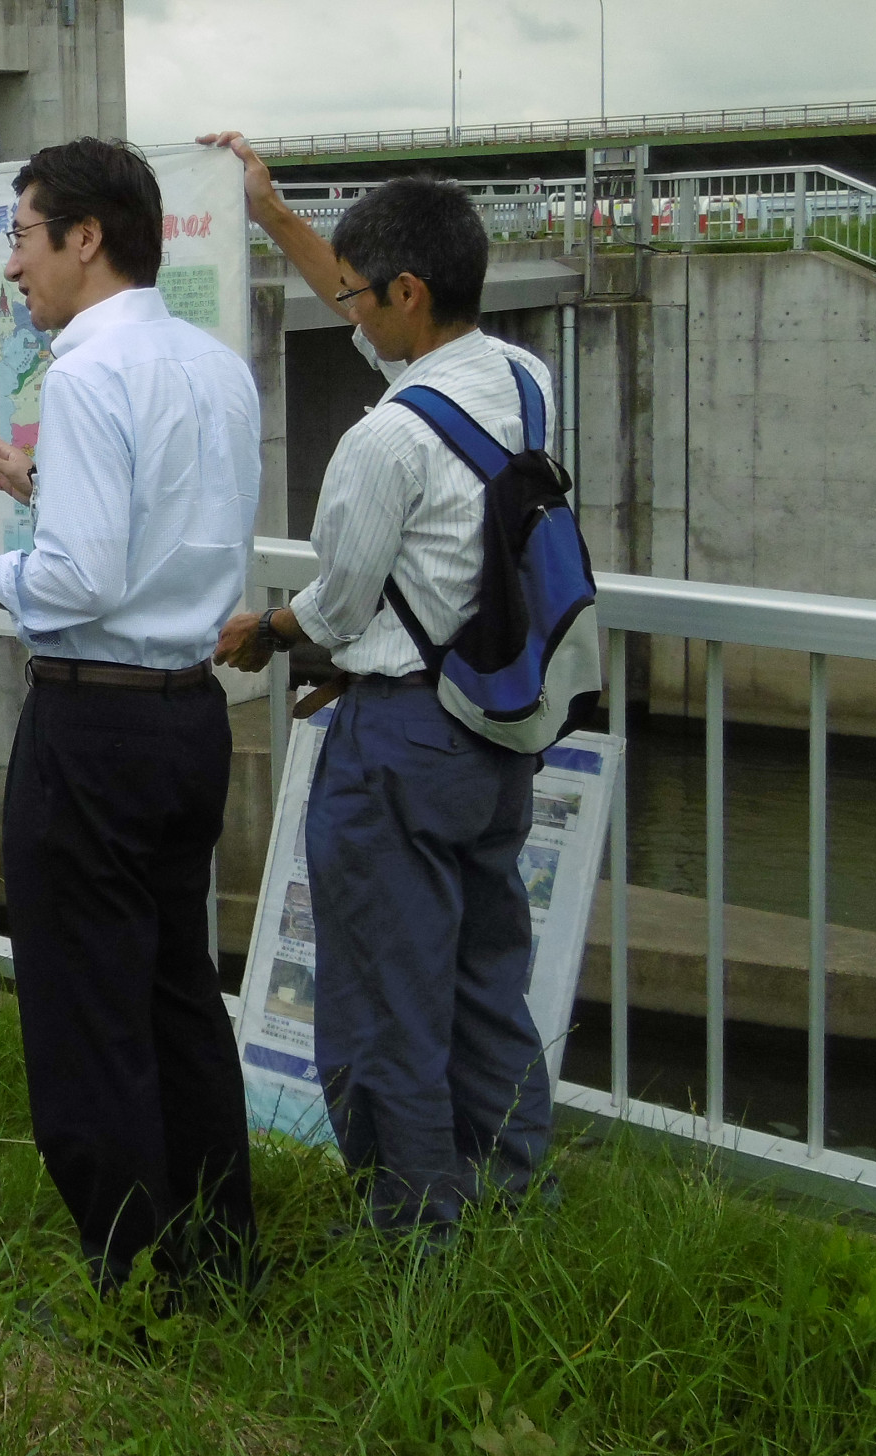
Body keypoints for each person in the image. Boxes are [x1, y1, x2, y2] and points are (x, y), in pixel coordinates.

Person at [0, 138, 264, 1300]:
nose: (13, 266)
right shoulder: (211, 367)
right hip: (189, 719)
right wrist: (38, 485)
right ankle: (219, 1258)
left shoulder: (89, 375)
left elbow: (87, 583)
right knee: (175, 998)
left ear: (84, 238)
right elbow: (161, 535)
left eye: (21, 233)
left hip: (91, 729)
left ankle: (131, 1281)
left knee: (82, 1016)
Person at [208, 132, 557, 1238]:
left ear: (409, 292)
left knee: (379, 1011)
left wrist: (264, 630)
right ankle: (510, 1205)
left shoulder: (381, 443)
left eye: (359, 298)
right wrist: (272, 214)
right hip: (493, 729)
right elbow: (376, 321)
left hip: (396, 748)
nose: (345, 314)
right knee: (483, 986)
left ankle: (417, 1245)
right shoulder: (520, 381)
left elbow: (336, 609)